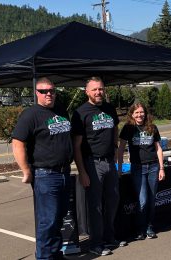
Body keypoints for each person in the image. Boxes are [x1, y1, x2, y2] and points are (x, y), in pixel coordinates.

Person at [12, 77, 73, 260]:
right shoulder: (30, 115)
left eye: (52, 91)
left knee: (59, 218)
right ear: (36, 93)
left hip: (64, 173)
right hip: (45, 175)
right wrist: (26, 171)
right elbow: (17, 144)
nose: (49, 94)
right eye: (44, 91)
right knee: (48, 221)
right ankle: (45, 257)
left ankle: (54, 254)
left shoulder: (61, 110)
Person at [71, 77, 125, 256]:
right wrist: (82, 172)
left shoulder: (109, 108)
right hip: (92, 163)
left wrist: (115, 147)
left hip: (109, 161)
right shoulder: (81, 113)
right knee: (95, 206)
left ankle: (110, 238)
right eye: (94, 90)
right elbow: (76, 146)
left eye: (100, 89)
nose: (98, 92)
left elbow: (116, 128)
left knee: (113, 201)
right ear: (87, 91)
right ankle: (96, 243)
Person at [117, 102, 165, 240]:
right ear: (132, 114)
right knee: (142, 200)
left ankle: (149, 226)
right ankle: (140, 229)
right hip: (138, 168)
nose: (139, 115)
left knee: (151, 199)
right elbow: (120, 150)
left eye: (141, 112)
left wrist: (162, 168)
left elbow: (158, 148)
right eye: (136, 112)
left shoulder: (152, 127)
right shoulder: (128, 128)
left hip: (154, 167)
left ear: (145, 113)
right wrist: (119, 168)